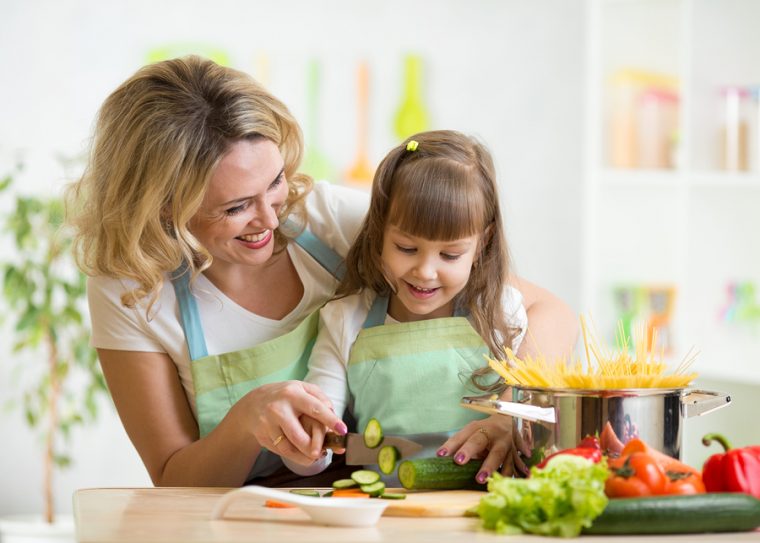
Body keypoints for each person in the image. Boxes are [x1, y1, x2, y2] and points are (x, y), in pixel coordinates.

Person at [66, 56, 575, 488]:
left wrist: (514, 411)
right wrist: (246, 422)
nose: (270, 220)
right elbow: (173, 476)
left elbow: (548, 312)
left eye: (275, 181)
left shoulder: (327, 221)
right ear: (161, 207)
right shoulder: (132, 287)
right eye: (237, 206)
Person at [298, 130, 576, 484]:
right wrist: (306, 442)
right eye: (406, 248)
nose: (425, 272)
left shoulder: (502, 313)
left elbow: (545, 398)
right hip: (389, 515)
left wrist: (511, 418)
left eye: (450, 254)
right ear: (380, 231)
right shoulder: (344, 319)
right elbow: (315, 448)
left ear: (482, 243)